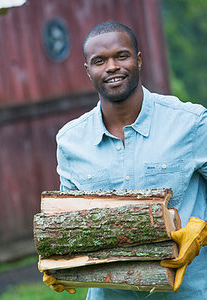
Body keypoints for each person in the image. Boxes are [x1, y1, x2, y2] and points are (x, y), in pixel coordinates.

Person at [43, 21, 206, 299]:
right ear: (88, 71)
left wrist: (201, 230)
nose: (111, 67)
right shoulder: (71, 141)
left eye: (122, 55)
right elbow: (68, 222)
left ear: (139, 60)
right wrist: (59, 259)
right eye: (99, 61)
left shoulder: (190, 123)